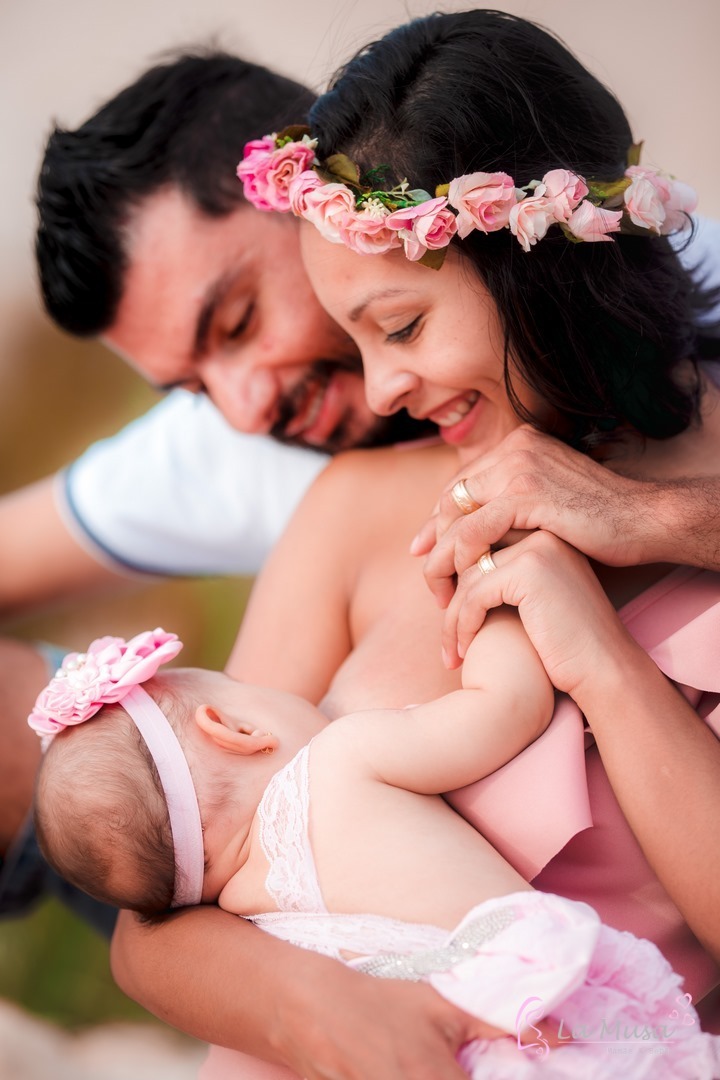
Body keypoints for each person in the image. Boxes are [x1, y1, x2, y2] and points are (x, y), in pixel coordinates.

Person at [108, 11, 720, 1080]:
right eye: (356, 337)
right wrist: (323, 1012)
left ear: (536, 271)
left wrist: (605, 662)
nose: (381, 387)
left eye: (401, 328)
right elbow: (159, 911)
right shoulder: (361, 504)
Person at [0, 48, 430, 930]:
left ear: (320, 191)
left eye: (238, 322)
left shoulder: (656, 290)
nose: (242, 407)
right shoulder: (232, 445)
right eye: (190, 386)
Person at [30, 630, 720, 1078]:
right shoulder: (340, 760)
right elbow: (507, 706)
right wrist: (494, 603)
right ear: (235, 727)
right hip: (543, 1023)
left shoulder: (249, 922)